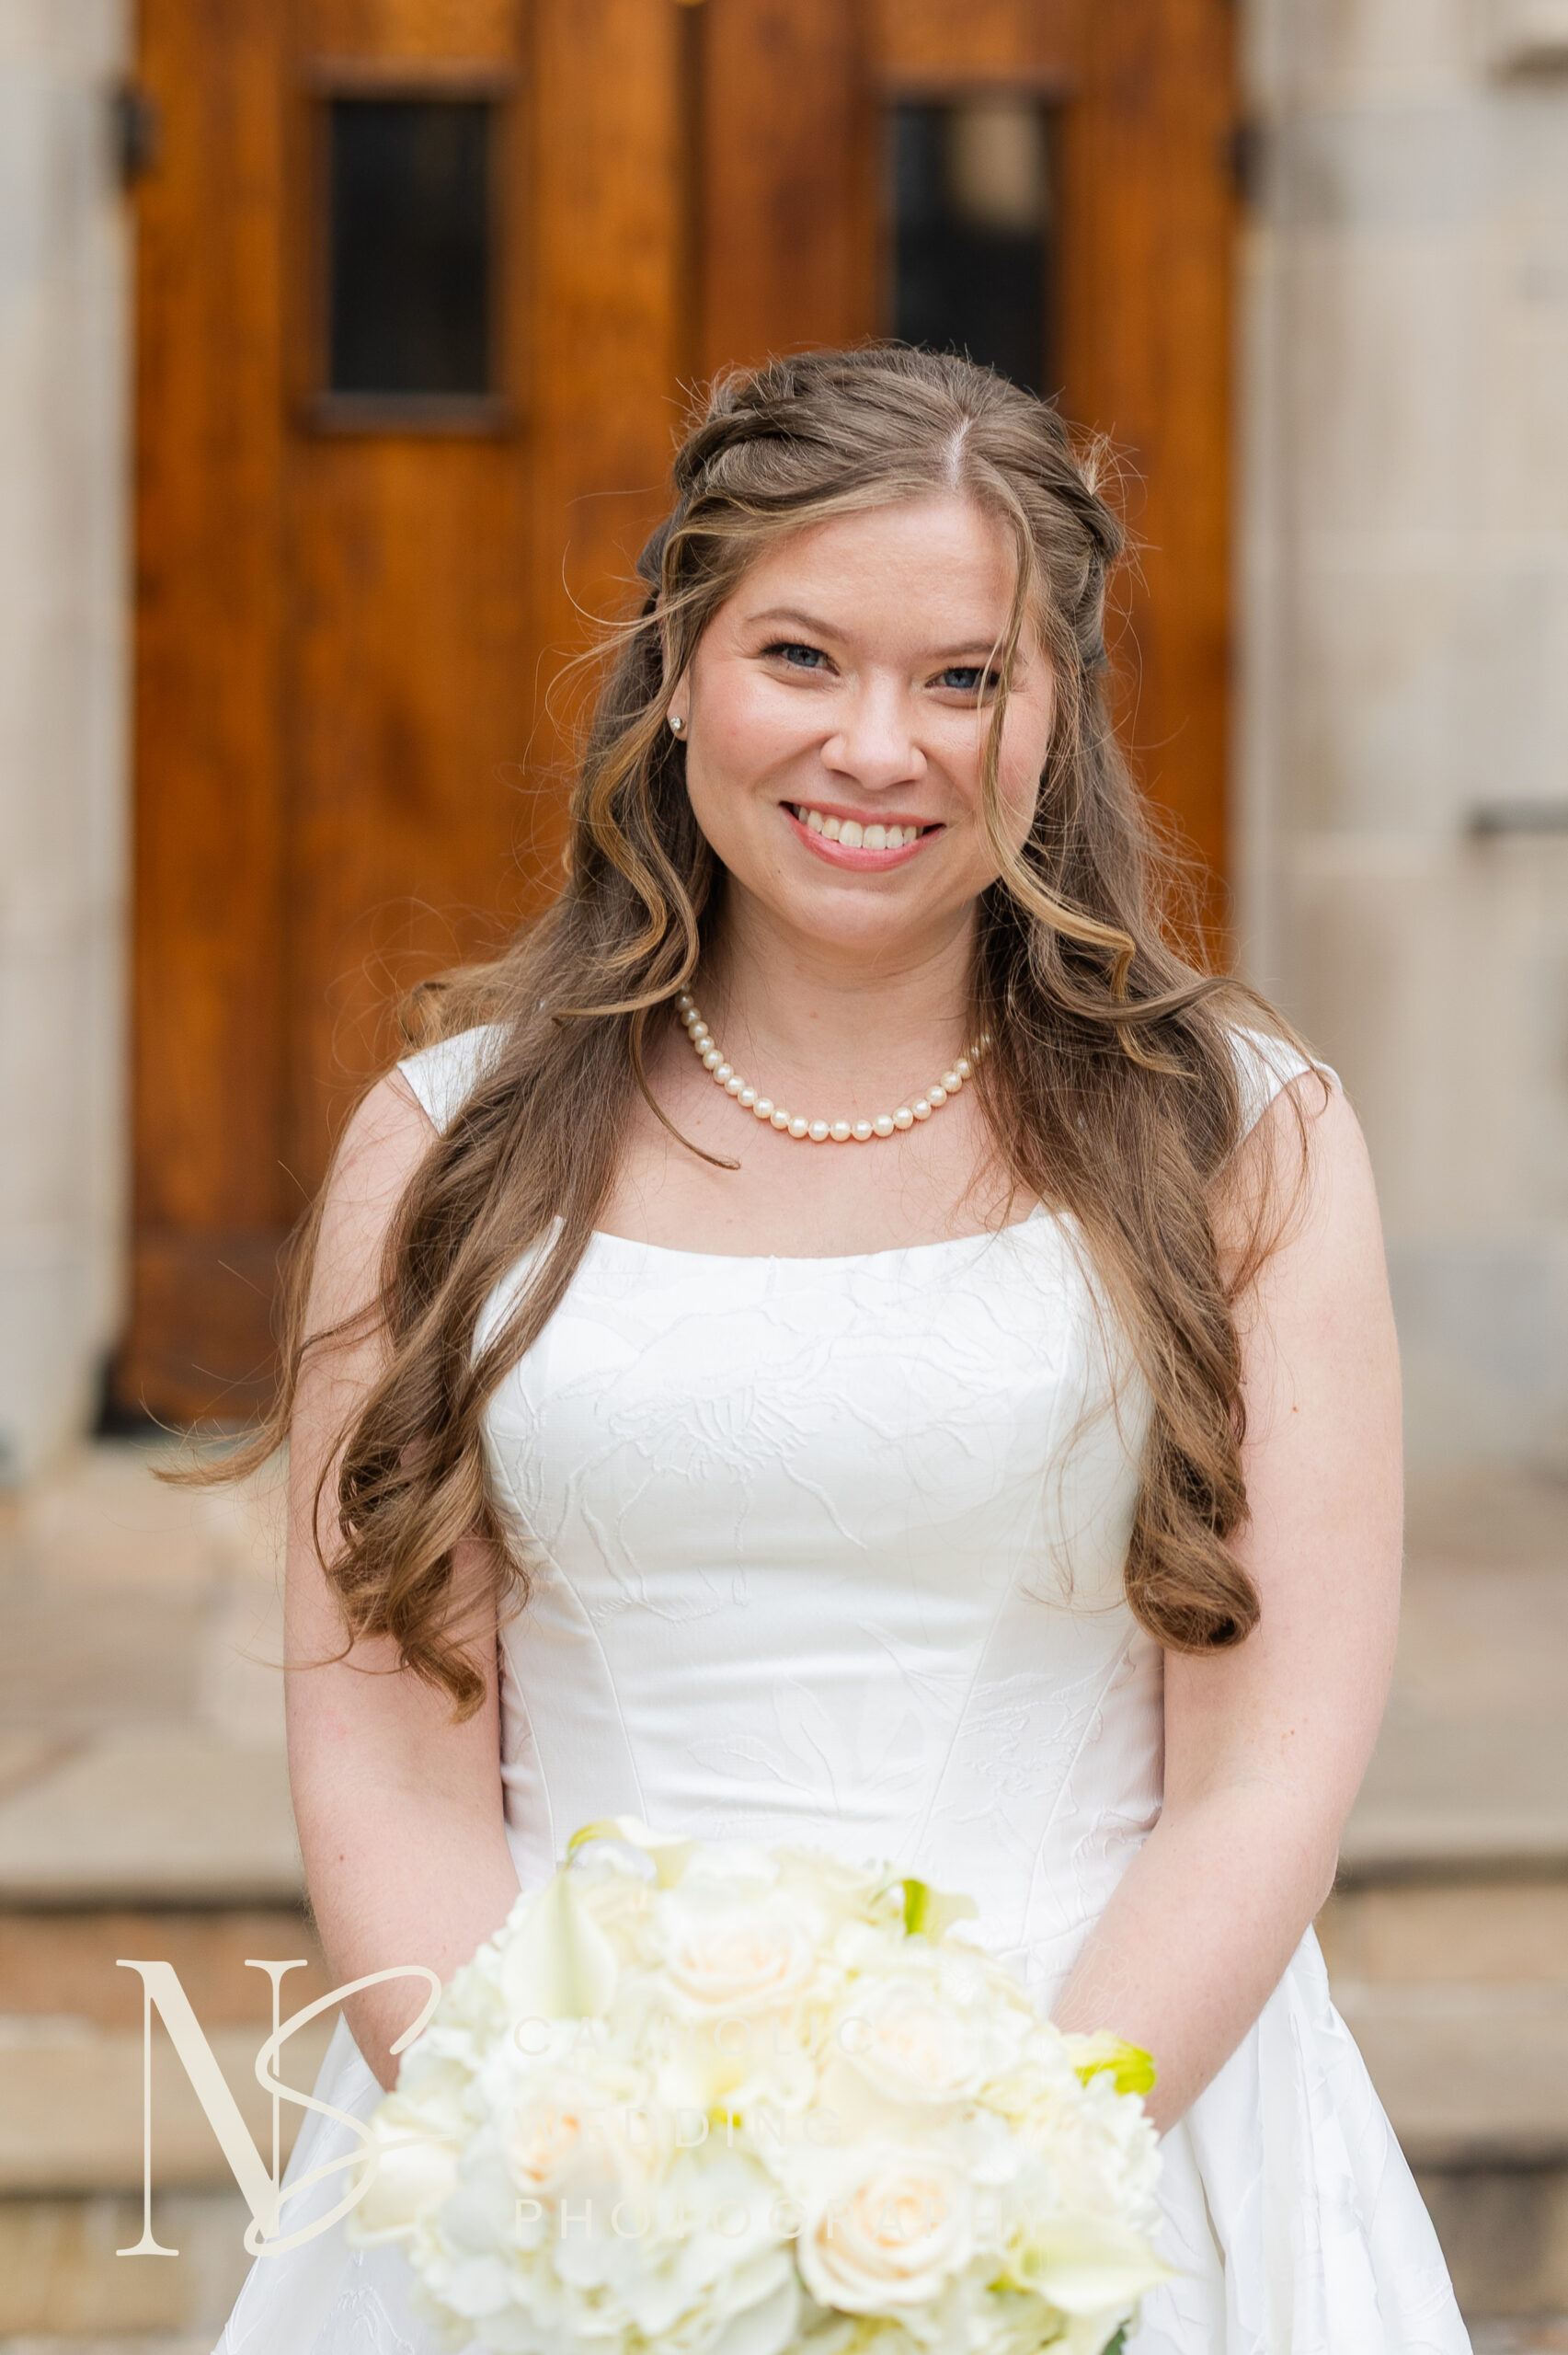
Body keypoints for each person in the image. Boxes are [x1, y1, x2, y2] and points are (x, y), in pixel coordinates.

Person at [212, 347, 1469, 2353]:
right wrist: (593, 2210)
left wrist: (986, 2209)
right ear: (680, 667)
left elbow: (1259, 1782)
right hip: (548, 2179)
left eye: (964, 677)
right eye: (800, 654)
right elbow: (391, 1770)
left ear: (1055, 717)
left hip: (1116, 2141)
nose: (877, 744)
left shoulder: (1243, 1137)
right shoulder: (446, 1144)